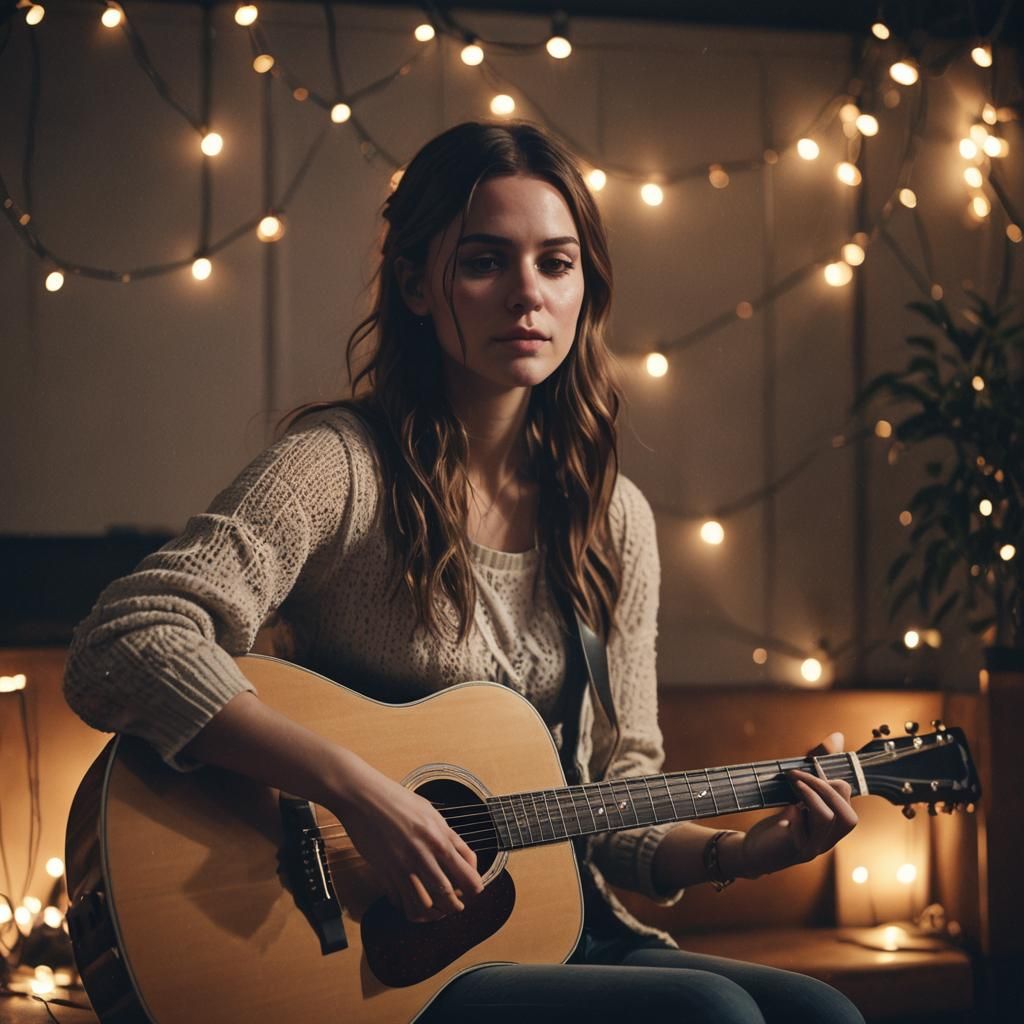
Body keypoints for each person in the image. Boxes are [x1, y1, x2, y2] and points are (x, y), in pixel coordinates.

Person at [64, 119, 864, 1024]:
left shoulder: (613, 520)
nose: (527, 294)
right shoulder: (341, 467)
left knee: (820, 1015)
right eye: (486, 261)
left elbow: (612, 807)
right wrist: (355, 791)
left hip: (555, 929)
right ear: (415, 282)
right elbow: (125, 640)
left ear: (585, 290)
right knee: (710, 1016)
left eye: (557, 264)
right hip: (380, 959)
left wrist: (741, 855)